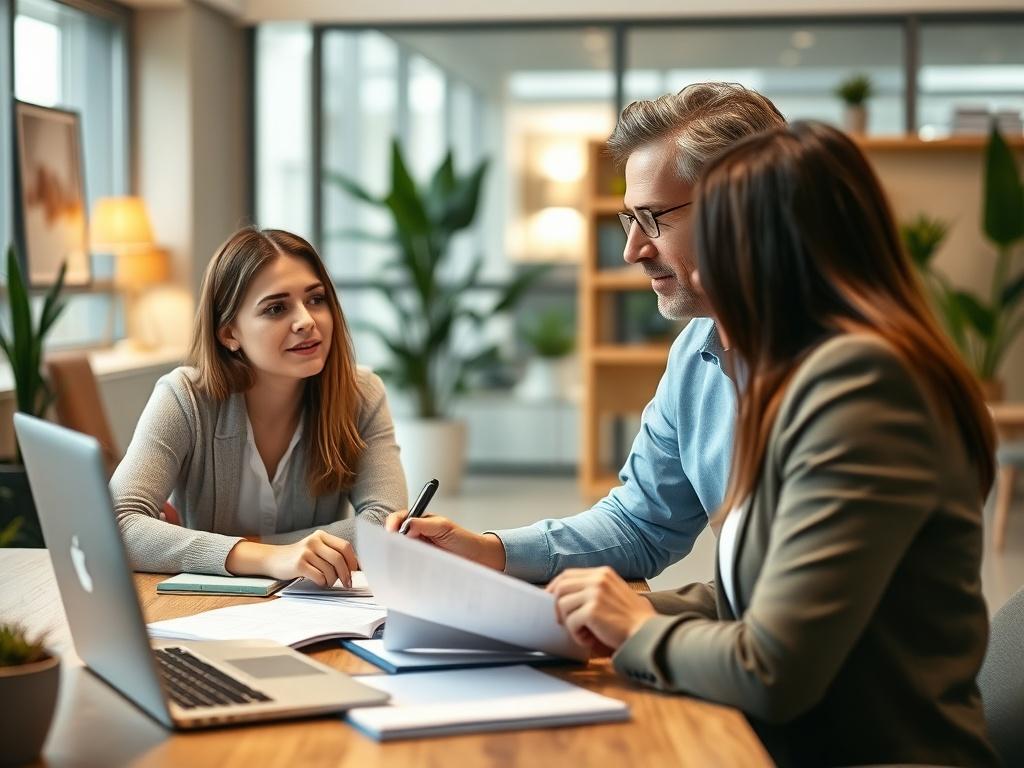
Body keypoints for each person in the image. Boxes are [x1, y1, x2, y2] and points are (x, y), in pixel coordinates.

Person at [545, 121, 998, 767]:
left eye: (712, 240)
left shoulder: (864, 389)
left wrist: (636, 624)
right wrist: (596, 610)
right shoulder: (788, 377)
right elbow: (758, 597)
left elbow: (772, 671)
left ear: (775, 249)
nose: (685, 264)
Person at [388, 82, 785, 581]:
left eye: (652, 218)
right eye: (629, 219)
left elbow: (794, 599)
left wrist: (641, 617)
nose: (632, 250)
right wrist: (487, 551)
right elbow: (641, 524)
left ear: (735, 210)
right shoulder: (694, 353)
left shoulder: (842, 368)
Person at [112, 227, 407, 585]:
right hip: (202, 605)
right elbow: (117, 524)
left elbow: (387, 524)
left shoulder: (362, 394)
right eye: (276, 308)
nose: (306, 321)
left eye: (316, 299)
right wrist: (270, 557)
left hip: (312, 606)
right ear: (229, 333)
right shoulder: (184, 397)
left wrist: (259, 548)